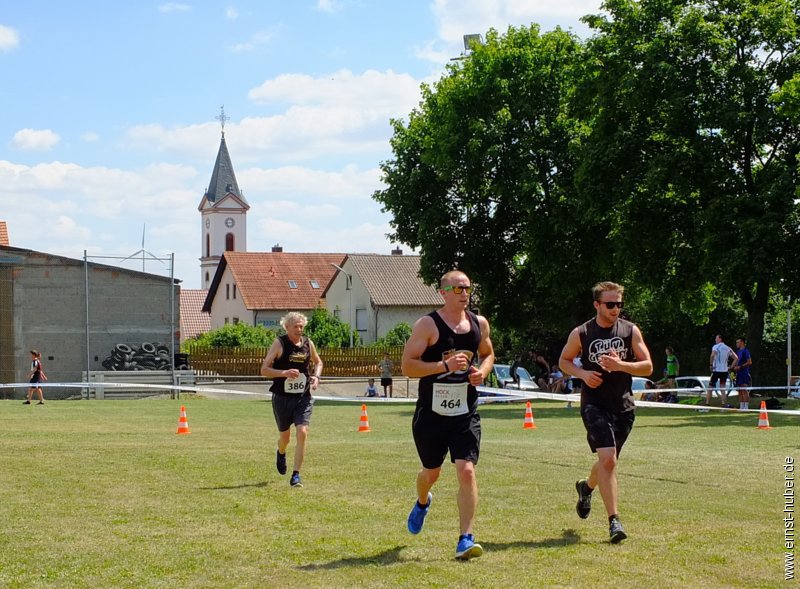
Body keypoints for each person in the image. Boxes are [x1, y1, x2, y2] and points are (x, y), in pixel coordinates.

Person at [402, 270, 495, 560]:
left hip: (465, 412)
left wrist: (483, 372)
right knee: (431, 472)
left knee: (466, 470)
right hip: (431, 413)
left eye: (467, 287)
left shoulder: (479, 324)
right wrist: (443, 366)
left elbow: (489, 354)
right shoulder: (428, 325)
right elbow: (407, 366)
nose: (464, 293)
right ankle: (421, 502)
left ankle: (465, 539)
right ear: (443, 292)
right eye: (457, 288)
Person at [558, 281, 653, 543]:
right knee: (609, 460)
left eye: (619, 304)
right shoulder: (582, 332)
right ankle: (614, 522)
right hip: (594, 403)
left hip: (622, 405)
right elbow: (564, 361)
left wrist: (621, 364)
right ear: (597, 305)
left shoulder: (630, 331)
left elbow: (647, 367)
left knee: (606, 463)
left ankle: (586, 487)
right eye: (610, 304)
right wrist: (582, 374)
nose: (616, 309)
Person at [260, 312, 322, 488]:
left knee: (302, 432)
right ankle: (281, 452)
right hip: (282, 397)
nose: (299, 329)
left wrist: (316, 377)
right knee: (285, 438)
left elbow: (318, 362)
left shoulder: (308, 343)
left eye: (301, 326)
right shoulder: (279, 344)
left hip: (303, 396)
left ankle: (296, 475)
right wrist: (284, 373)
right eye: (296, 326)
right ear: (286, 327)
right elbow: (264, 369)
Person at [709, 334, 737, 408]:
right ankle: (723, 403)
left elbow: (712, 356)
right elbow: (736, 358)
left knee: (710, 386)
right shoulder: (728, 348)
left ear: (720, 339)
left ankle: (707, 403)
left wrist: (711, 365)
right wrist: (731, 366)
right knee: (722, 387)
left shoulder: (716, 347)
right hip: (724, 370)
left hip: (716, 369)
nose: (715, 340)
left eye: (716, 338)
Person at [733, 337, 752, 411]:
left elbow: (749, 362)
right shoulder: (738, 352)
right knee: (740, 390)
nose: (736, 344)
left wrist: (741, 367)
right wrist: (734, 367)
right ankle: (741, 406)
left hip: (744, 372)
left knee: (744, 389)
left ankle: (746, 407)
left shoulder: (745, 351)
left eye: (738, 342)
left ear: (742, 342)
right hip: (739, 373)